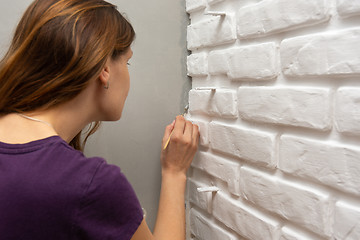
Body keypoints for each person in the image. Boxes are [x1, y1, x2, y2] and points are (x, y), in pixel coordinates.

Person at [0, 0, 199, 239]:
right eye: (127, 62)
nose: (127, 73)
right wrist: (174, 173)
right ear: (105, 69)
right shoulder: (88, 184)